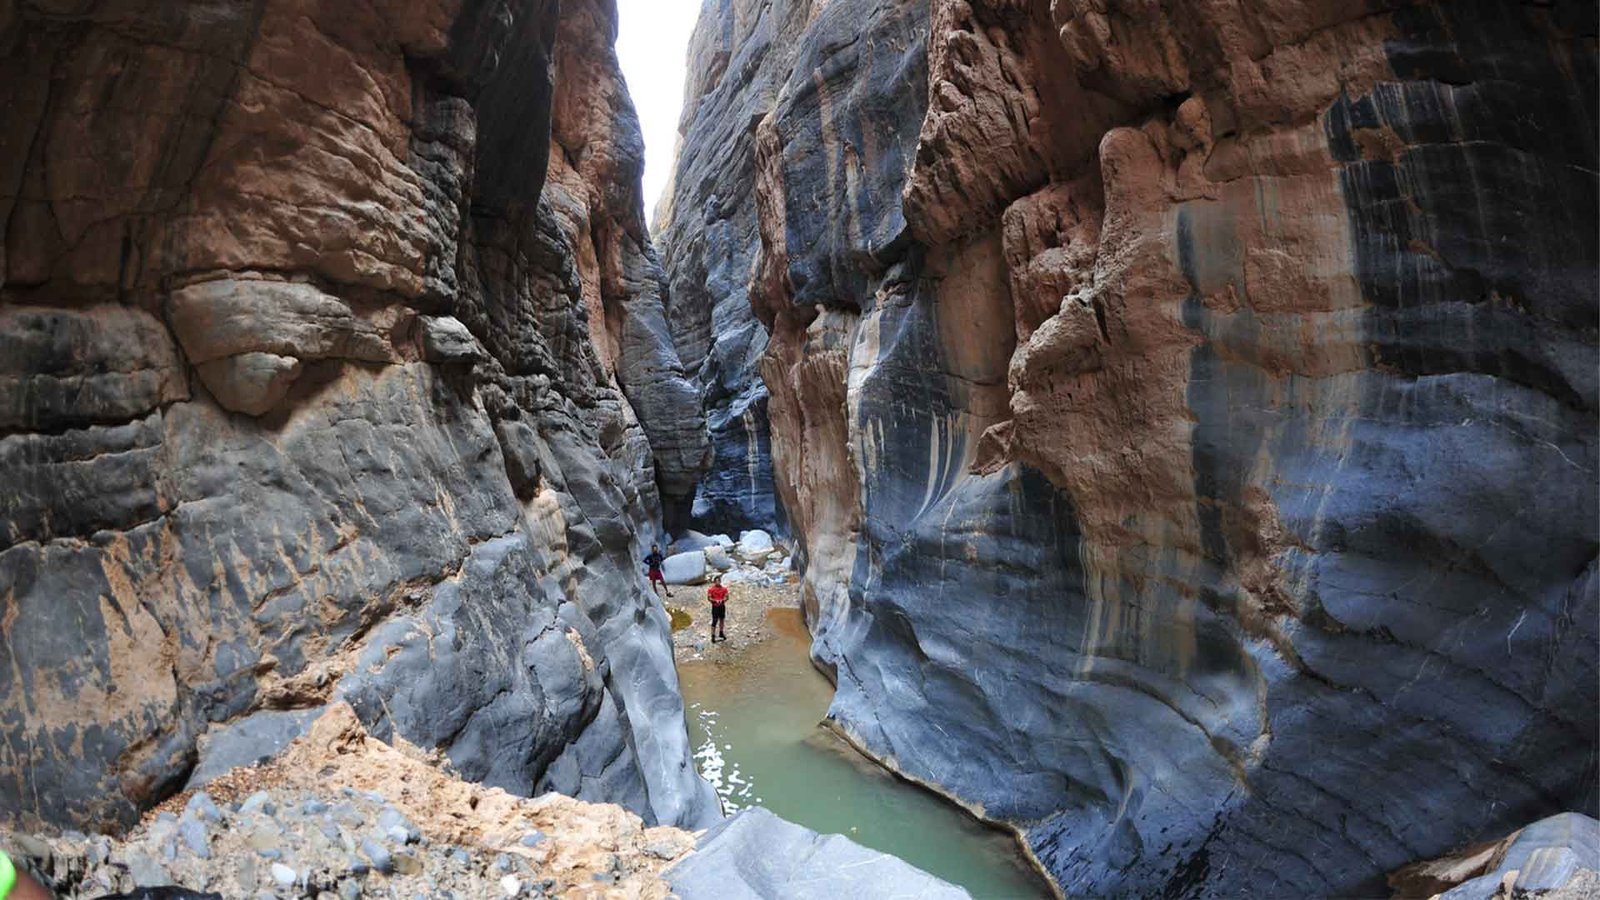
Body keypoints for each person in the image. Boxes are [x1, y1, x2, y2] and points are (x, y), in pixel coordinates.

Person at [707, 574, 729, 643]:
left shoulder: (724, 589)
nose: (718, 582)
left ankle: (721, 632)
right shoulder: (711, 589)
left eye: (719, 581)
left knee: (722, 620)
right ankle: (713, 636)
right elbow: (709, 598)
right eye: (716, 581)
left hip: (722, 606)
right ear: (714, 582)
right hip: (715, 607)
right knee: (714, 621)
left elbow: (727, 597)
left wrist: (722, 600)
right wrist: (715, 600)